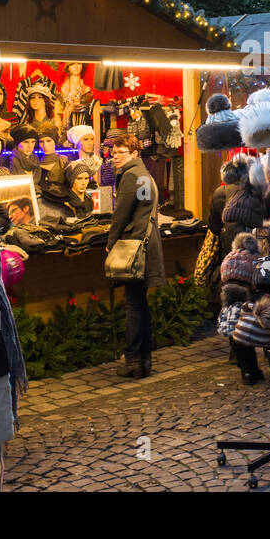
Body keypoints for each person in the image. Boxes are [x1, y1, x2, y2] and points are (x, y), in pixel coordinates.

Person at [106, 133, 164, 378]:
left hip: (134, 246)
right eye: (114, 152)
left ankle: (133, 361)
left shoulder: (133, 176)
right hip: (145, 243)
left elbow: (122, 214)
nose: (115, 157)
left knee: (133, 305)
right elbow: (141, 209)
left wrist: (110, 243)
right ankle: (143, 360)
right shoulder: (142, 174)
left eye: (121, 152)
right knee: (140, 304)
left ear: (134, 154)